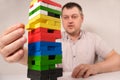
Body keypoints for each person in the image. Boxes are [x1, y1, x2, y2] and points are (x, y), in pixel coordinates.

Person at [0, 2, 120, 78]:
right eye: (66, 17)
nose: (70, 21)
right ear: (61, 20)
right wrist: (19, 55)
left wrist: (95, 68)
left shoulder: (94, 39)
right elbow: (37, 55)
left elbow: (117, 60)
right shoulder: (52, 39)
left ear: (82, 18)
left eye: (74, 16)